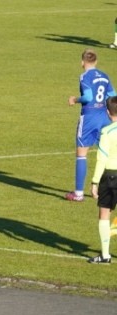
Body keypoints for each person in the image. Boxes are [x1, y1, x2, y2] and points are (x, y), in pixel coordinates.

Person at [66, 48, 115, 201]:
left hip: (89, 117)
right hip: (104, 117)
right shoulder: (105, 76)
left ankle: (78, 194)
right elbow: (112, 96)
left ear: (82, 62)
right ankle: (102, 190)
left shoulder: (85, 76)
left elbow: (88, 96)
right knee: (105, 153)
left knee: (82, 154)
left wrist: (75, 100)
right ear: (96, 61)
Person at [88, 96, 117, 263]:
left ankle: (105, 255)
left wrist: (94, 182)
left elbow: (102, 159)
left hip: (111, 176)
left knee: (104, 214)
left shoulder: (106, 132)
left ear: (108, 113)